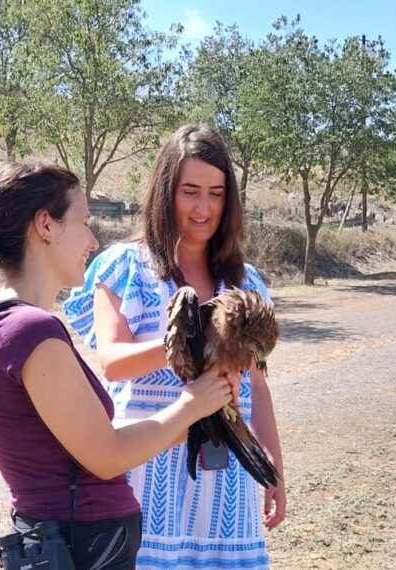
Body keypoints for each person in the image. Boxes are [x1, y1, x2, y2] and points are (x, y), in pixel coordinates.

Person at [0, 162, 234, 570]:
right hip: (87, 546)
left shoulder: (5, 323)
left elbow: (86, 440)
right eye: (84, 221)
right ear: (45, 226)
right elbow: (106, 456)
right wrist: (193, 405)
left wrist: (195, 422)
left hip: (74, 541)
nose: (93, 240)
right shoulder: (31, 330)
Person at [64, 125, 286, 569]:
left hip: (227, 481)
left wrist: (273, 466)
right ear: (166, 192)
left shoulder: (246, 282)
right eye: (190, 191)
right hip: (148, 472)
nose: (204, 207)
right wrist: (188, 339)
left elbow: (256, 388)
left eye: (216, 193)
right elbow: (112, 362)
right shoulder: (125, 266)